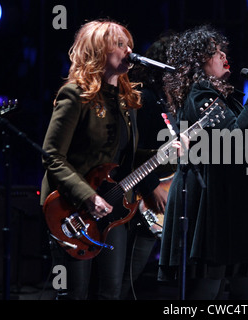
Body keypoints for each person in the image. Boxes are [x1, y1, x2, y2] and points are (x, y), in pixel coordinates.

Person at [40, 19, 165, 300]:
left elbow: (127, 159)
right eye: (119, 45)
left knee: (110, 292)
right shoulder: (75, 95)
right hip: (71, 209)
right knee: (76, 292)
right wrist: (88, 197)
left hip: (113, 210)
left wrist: (167, 153)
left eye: (129, 44)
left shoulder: (126, 99)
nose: (128, 50)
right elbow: (52, 155)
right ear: (97, 51)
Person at [158, 25, 248, 300]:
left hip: (234, 207)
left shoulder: (225, 99)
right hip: (214, 208)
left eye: (223, 51)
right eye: (215, 52)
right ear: (198, 61)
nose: (223, 56)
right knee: (208, 290)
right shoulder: (200, 96)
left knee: (247, 291)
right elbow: (230, 140)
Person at [120, 32, 177, 300]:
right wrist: (152, 186)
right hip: (139, 199)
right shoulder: (145, 98)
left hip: (155, 202)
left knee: (130, 279)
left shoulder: (167, 101)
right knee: (121, 280)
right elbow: (130, 152)